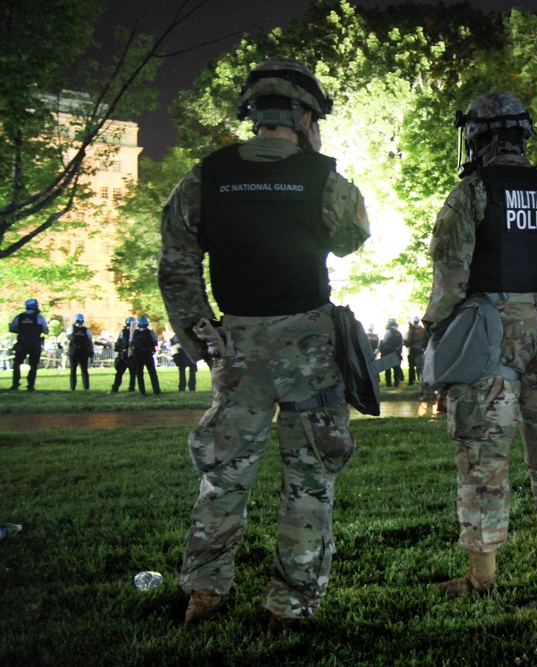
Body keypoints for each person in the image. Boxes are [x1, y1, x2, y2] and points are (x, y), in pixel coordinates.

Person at [158, 59, 370, 631]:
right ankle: (291, 605)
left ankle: (204, 593)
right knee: (309, 477)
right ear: (305, 116)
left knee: (225, 473)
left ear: (251, 113)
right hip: (309, 348)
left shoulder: (205, 176)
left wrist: (205, 337)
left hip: (240, 345)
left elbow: (176, 265)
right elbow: (351, 241)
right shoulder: (324, 176)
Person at [422, 91, 537, 594]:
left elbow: (451, 278)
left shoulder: (472, 192)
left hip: (489, 328)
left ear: (477, 136)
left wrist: (435, 329)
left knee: (483, 451)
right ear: (522, 135)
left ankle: (482, 578)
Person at [8, 298, 49, 391]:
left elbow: (12, 328)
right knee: (33, 365)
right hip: (34, 343)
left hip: (22, 342)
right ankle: (30, 385)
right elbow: (46, 331)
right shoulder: (39, 317)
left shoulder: (19, 317)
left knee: (17, 363)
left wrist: (22, 330)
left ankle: (15, 384)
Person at [130, 316, 162, 396]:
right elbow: (155, 342)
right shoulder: (150, 332)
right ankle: (156, 390)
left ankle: (142, 391)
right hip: (147, 354)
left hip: (138, 354)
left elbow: (131, 342)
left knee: (139, 373)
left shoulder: (135, 332)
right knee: (152, 372)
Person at [67, 314, 94, 391]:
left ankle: (72, 387)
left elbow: (68, 337)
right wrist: (91, 351)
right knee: (84, 370)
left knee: (73, 369)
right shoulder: (86, 330)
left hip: (74, 351)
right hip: (83, 350)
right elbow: (90, 341)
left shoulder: (71, 328)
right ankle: (86, 387)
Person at [110, 317, 137, 393]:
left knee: (120, 373)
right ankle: (131, 388)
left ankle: (115, 387)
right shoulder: (136, 332)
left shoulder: (123, 332)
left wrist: (120, 351)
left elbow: (118, 343)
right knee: (132, 373)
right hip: (131, 355)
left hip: (123, 355)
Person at [379, 318, 404, 387]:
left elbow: (384, 342)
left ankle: (389, 383)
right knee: (396, 369)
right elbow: (402, 343)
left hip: (388, 352)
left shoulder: (388, 332)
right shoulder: (399, 333)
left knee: (388, 369)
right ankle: (396, 383)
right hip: (397, 353)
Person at [404, 316, 428, 386]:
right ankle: (420, 380)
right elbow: (426, 339)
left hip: (412, 350)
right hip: (421, 350)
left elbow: (408, 340)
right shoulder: (422, 329)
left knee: (411, 366)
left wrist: (406, 343)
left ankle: (411, 381)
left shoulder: (411, 330)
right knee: (420, 366)